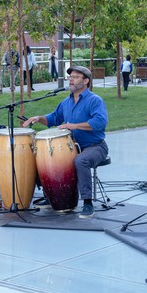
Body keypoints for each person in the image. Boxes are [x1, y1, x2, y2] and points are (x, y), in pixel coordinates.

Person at [23, 66, 108, 219]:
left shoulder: (95, 100)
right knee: (42, 157)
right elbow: (53, 118)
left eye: (75, 77)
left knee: (80, 160)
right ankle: (50, 195)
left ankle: (87, 202)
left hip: (95, 146)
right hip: (71, 148)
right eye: (70, 77)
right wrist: (38, 118)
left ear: (86, 81)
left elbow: (100, 122)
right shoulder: (65, 102)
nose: (71, 79)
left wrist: (73, 126)